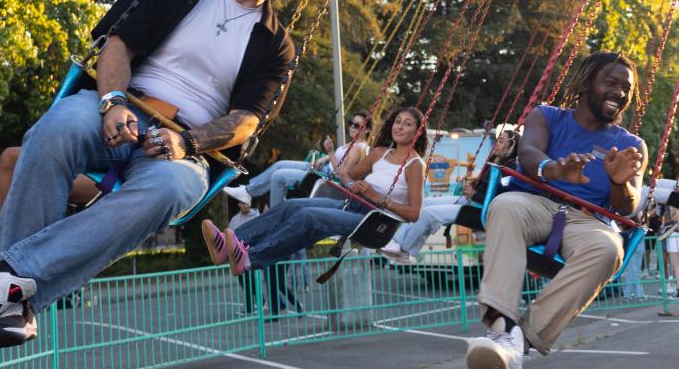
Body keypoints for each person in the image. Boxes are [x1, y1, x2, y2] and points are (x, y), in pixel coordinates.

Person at [0, 0, 313, 355]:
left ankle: (1, 281)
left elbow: (247, 119)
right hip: (121, 104)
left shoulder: (275, 42)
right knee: (55, 131)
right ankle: (6, 300)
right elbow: (118, 45)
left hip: (186, 146)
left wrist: (187, 142)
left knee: (167, 192)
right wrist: (112, 103)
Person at [465, 51, 647, 369]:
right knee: (505, 206)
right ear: (586, 83)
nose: (620, 92)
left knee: (609, 249)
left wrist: (620, 182)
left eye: (627, 88)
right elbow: (528, 152)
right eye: (611, 82)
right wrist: (554, 169)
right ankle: (503, 326)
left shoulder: (630, 144)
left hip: (587, 219)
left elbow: (629, 208)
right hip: (535, 201)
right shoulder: (546, 116)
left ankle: (517, 342)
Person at [201, 106, 427, 274]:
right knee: (291, 206)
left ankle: (250, 258)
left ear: (417, 132)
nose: (400, 126)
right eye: (398, 121)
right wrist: (352, 184)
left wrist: (378, 197)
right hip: (352, 205)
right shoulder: (380, 153)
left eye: (407, 123)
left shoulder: (414, 165)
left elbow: (413, 214)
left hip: (374, 222)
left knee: (308, 216)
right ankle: (226, 245)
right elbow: (348, 177)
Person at [380, 128, 519, 262]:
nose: (496, 144)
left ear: (510, 146)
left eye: (501, 141)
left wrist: (474, 194)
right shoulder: (494, 161)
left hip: (481, 210)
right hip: (471, 201)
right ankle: (397, 241)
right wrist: (471, 186)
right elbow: (483, 183)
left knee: (428, 214)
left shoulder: (509, 169)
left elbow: (500, 195)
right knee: (425, 203)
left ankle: (405, 250)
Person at [222, 112, 372, 208]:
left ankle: (276, 214)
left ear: (366, 130)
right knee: (279, 164)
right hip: (324, 169)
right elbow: (340, 158)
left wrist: (331, 152)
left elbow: (342, 175)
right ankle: (248, 192)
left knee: (278, 176)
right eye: (351, 123)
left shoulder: (358, 148)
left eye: (357, 125)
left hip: (328, 180)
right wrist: (326, 157)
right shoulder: (352, 143)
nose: (353, 127)